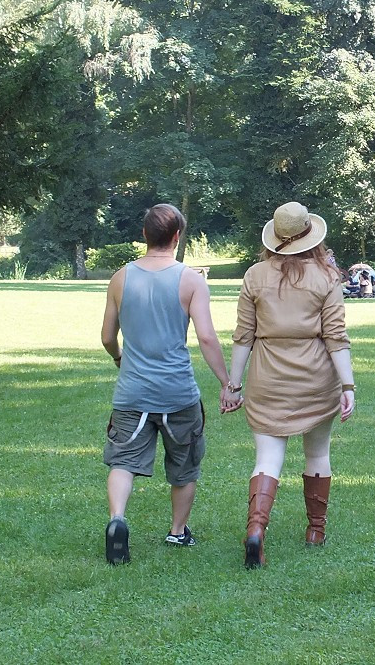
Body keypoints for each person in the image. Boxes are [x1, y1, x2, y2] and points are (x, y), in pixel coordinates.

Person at [223, 201, 355, 569]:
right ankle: (315, 529)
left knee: (267, 458)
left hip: (267, 379)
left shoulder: (254, 275)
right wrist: (348, 386)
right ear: (311, 236)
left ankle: (256, 530)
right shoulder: (327, 278)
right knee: (318, 453)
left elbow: (243, 337)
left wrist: (234, 385)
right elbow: (336, 338)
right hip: (316, 379)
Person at [100, 203, 231, 565]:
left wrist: (118, 359)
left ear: (144, 235)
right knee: (184, 463)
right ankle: (177, 532)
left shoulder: (120, 278)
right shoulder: (191, 280)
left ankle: (117, 520)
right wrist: (227, 381)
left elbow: (108, 336)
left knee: (123, 461)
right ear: (177, 237)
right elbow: (206, 338)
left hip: (132, 393)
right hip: (178, 394)